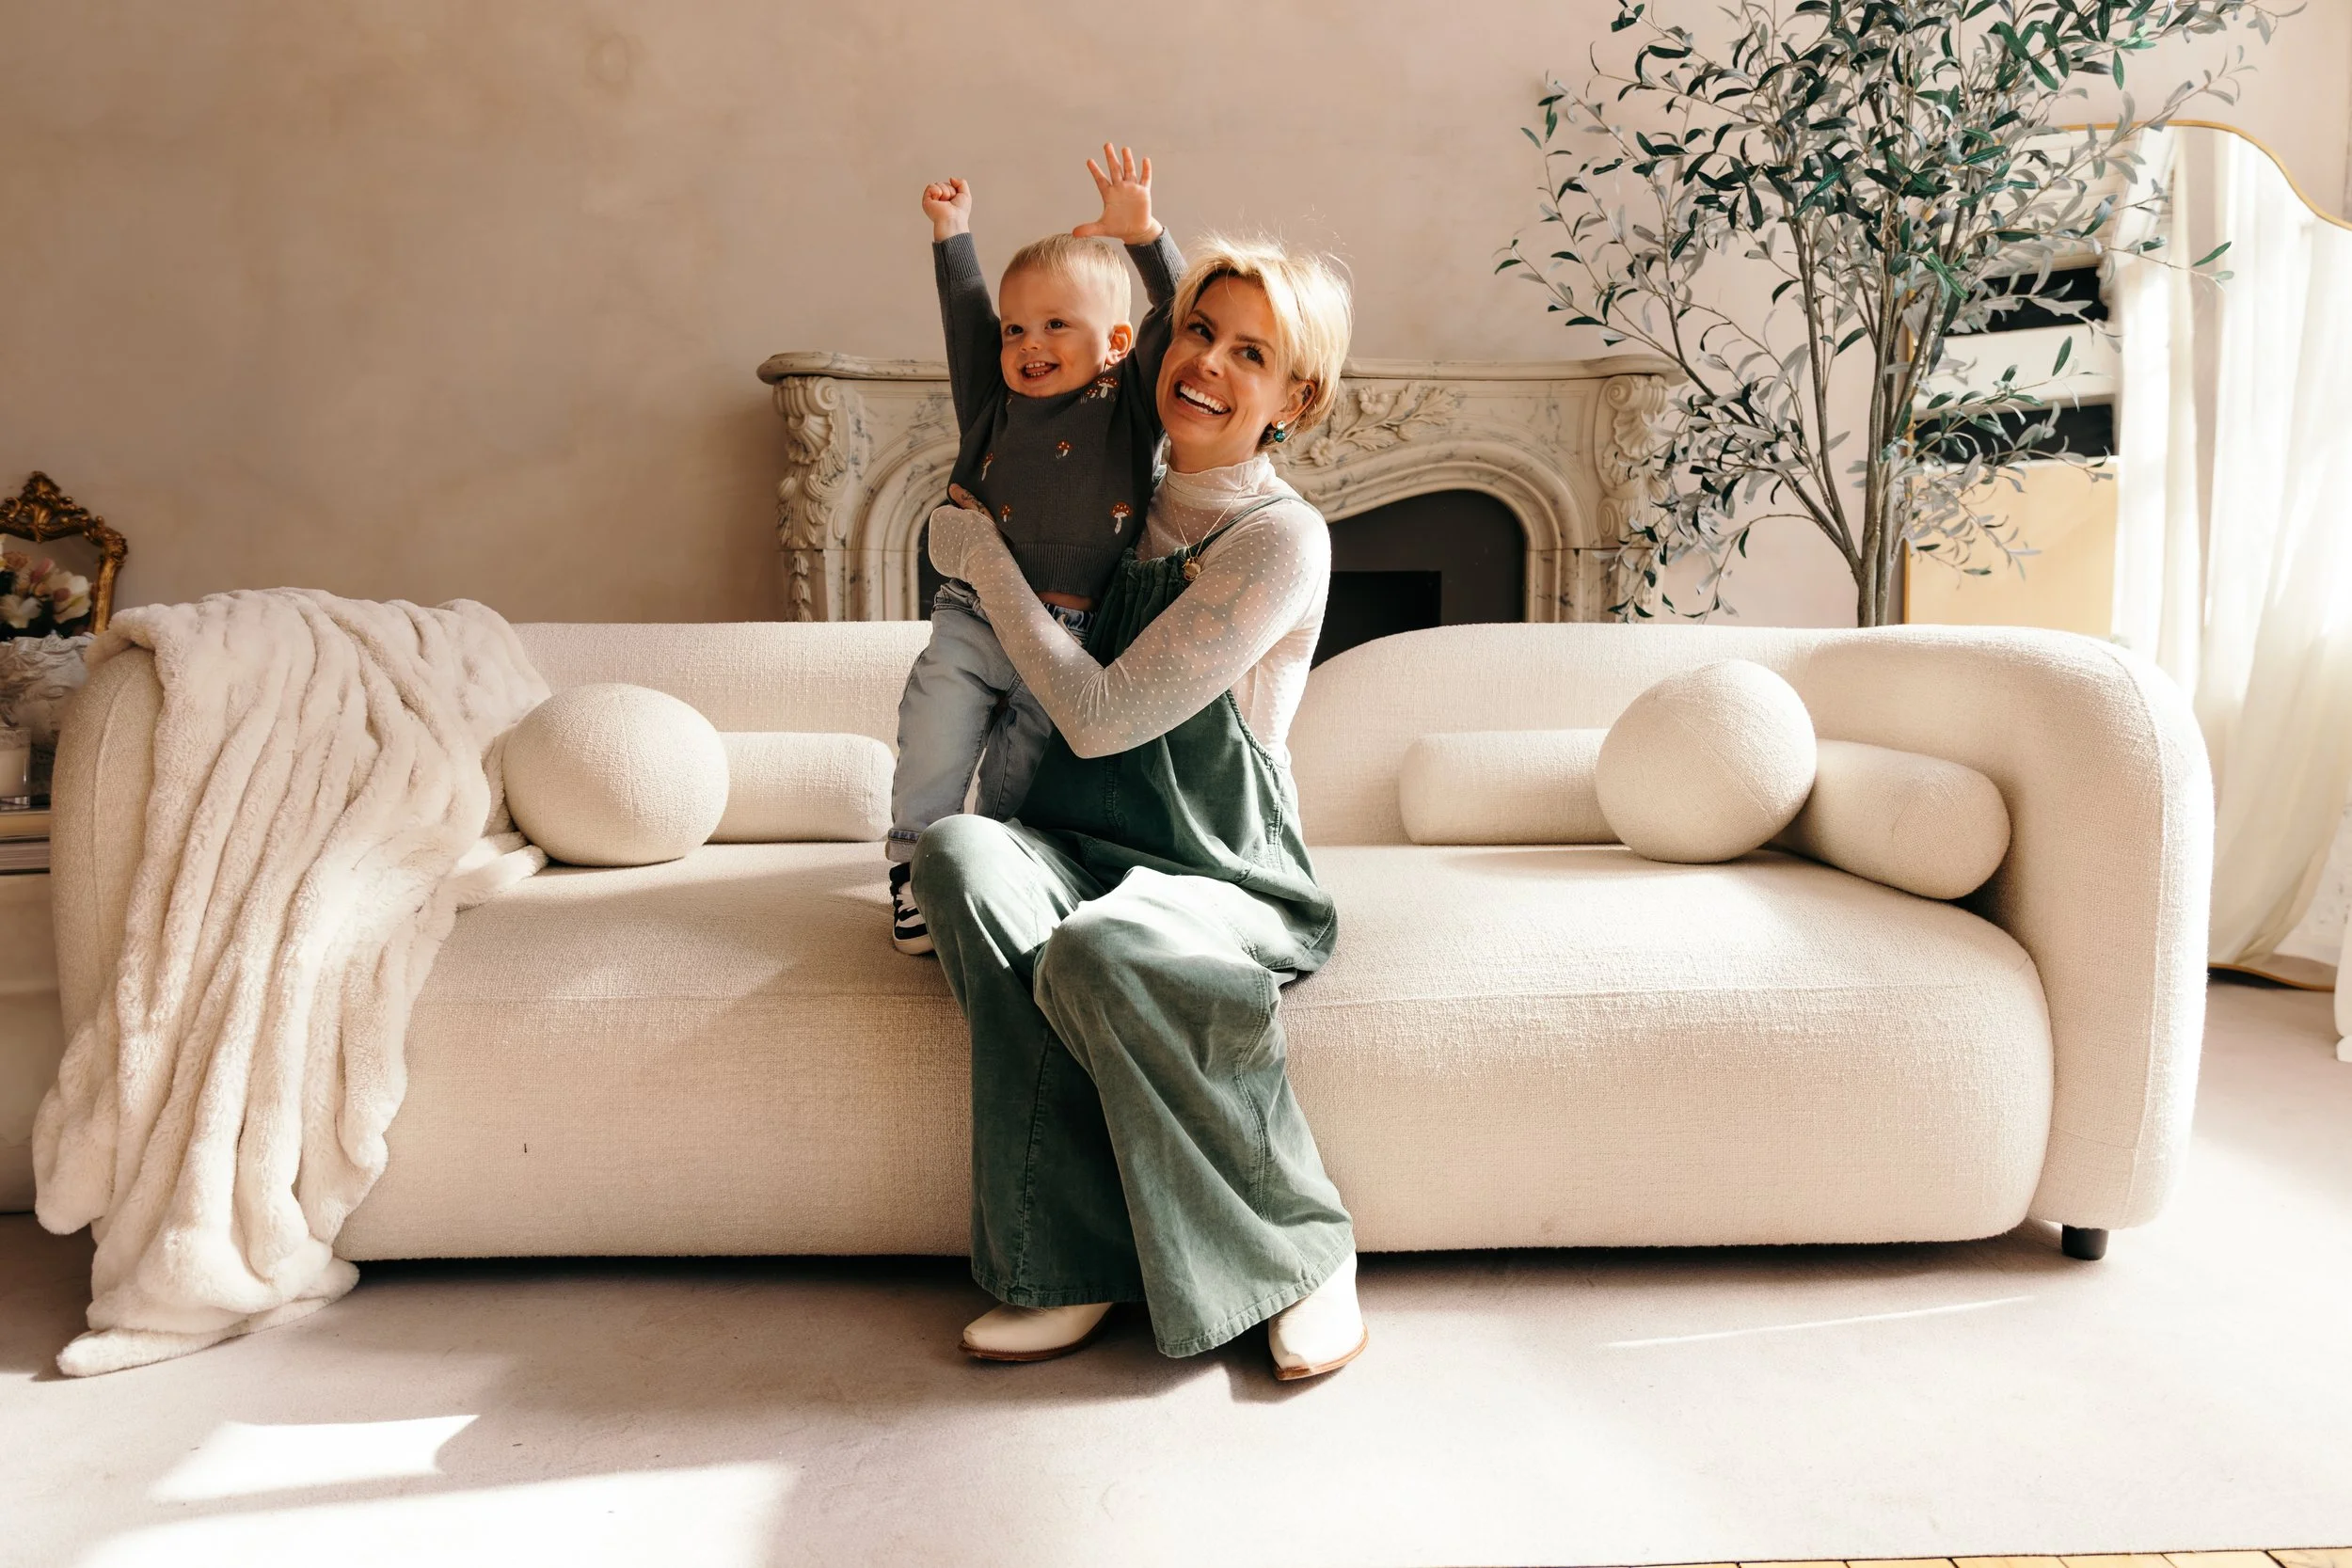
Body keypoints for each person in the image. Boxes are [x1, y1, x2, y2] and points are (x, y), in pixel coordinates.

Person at [914, 230, 1366, 1380]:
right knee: (959, 851)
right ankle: (1072, 1262)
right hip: (1072, 842)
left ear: (1294, 399)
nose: (1206, 361)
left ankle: (1303, 1248)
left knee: (1105, 942)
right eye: (1199, 331)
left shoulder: (1280, 538)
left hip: (1222, 872)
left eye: (1250, 353)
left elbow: (1102, 717)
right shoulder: (1115, 494)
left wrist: (985, 565)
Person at [885, 147, 1185, 955]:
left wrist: (1145, 237)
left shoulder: (1129, 404)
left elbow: (1182, 312)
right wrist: (952, 233)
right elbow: (965, 318)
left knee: (1022, 782)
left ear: (1116, 340)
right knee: (934, 733)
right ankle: (913, 867)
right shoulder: (993, 402)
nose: (1029, 342)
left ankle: (981, 875)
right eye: (1016, 328)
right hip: (975, 616)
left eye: (1056, 324)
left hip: (1069, 645)